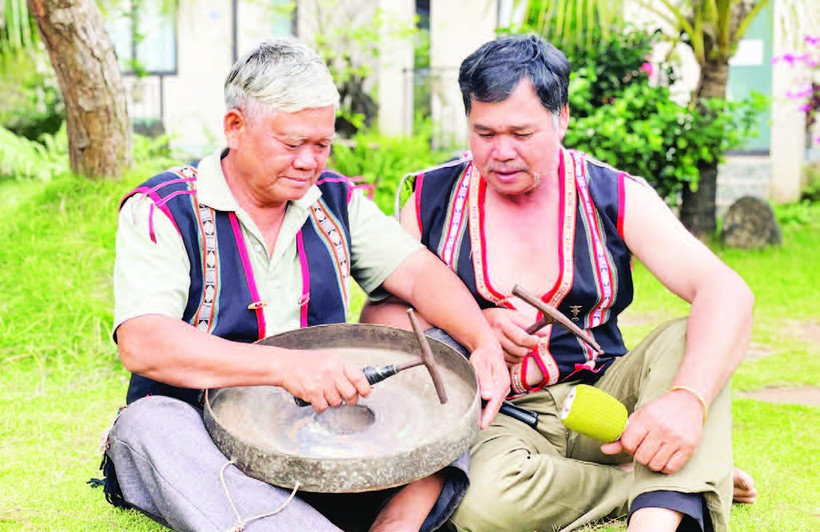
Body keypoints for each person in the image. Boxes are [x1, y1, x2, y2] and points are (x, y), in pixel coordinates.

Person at [101, 38, 509, 532]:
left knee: (443, 349)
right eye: (292, 144)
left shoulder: (334, 200)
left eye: (322, 145)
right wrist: (285, 367)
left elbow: (419, 273)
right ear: (235, 127)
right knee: (146, 426)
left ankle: (399, 517)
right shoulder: (164, 208)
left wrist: (483, 341)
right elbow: (143, 343)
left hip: (329, 438)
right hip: (211, 446)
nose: (309, 161)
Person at [361, 34, 757, 532]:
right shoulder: (431, 198)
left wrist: (687, 399)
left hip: (606, 405)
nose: (502, 152)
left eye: (521, 133)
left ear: (561, 117)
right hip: (498, 418)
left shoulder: (611, 193)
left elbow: (727, 291)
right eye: (485, 133)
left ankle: (655, 516)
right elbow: (378, 321)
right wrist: (470, 326)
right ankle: (662, 479)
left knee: (688, 338)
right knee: (481, 502)